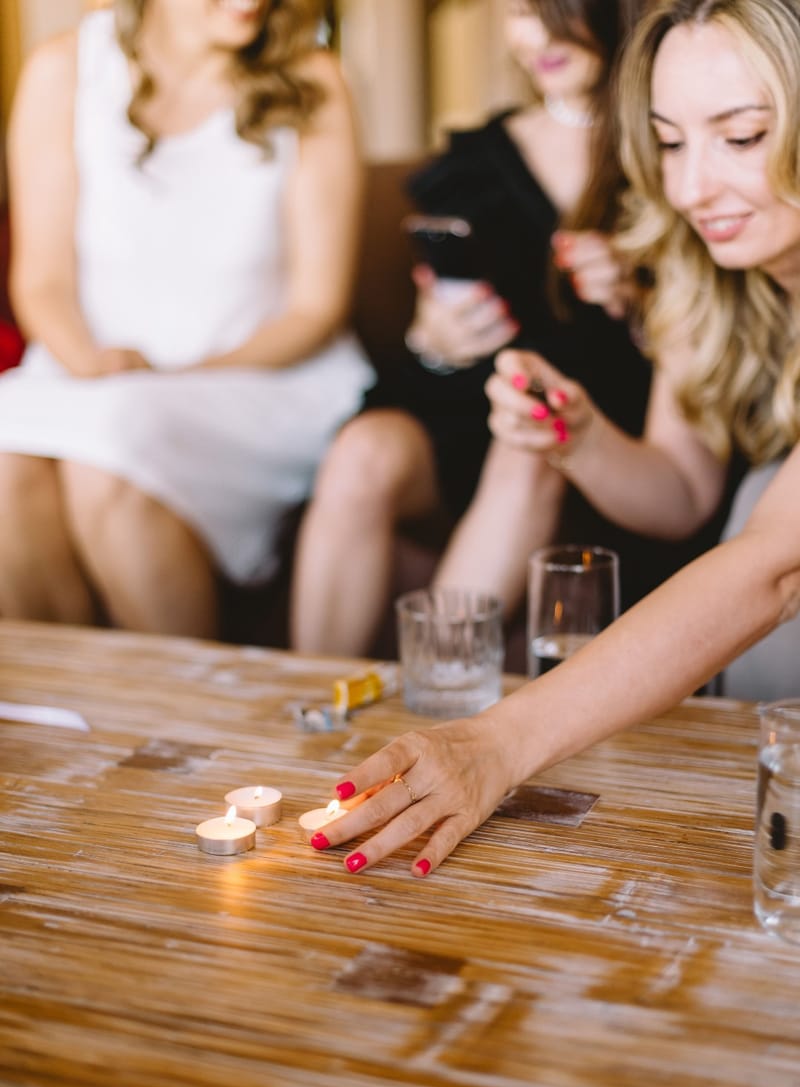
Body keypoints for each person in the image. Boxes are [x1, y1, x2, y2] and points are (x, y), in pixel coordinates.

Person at [302, 0, 800, 878]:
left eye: (744, 136)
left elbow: (773, 564)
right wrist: (575, 436)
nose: (689, 189)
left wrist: (497, 742)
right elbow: (684, 484)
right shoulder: (713, 269)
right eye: (671, 143)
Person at [291, 0, 732, 659]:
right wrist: (434, 341)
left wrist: (640, 299)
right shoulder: (475, 162)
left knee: (528, 433)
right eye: (518, 9)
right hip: (470, 416)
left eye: (557, 10)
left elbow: (707, 318)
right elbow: (429, 368)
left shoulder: (672, 150)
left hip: (609, 441)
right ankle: (306, 697)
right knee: (363, 449)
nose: (535, 36)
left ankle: (431, 689)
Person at [0, 0, 372, 636]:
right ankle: (62, 716)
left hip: (258, 382)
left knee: (110, 449)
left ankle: (182, 714)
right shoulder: (63, 71)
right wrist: (90, 362)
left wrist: (169, 377)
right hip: (90, 372)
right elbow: (42, 279)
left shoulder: (310, 80)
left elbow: (316, 308)